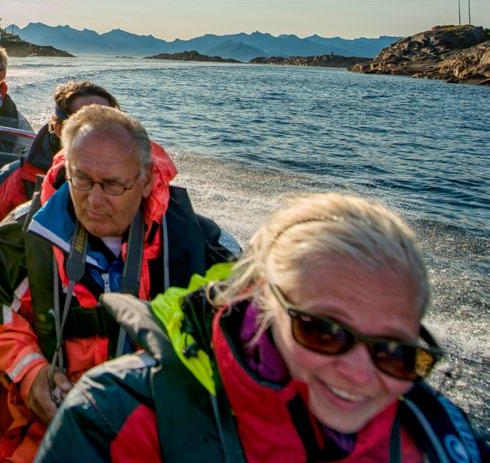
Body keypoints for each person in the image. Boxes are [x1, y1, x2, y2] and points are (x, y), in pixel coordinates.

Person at [36, 192, 487, 463]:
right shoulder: (116, 413)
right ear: (258, 298)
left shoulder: (443, 439)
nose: (360, 373)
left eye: (396, 353)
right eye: (324, 331)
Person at [0, 105, 239, 463]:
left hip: (152, 444)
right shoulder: (26, 235)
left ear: (147, 178)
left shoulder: (201, 246)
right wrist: (31, 373)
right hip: (45, 437)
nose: (94, 200)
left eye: (112, 185)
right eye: (82, 180)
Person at [0, 82, 121, 463]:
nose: (92, 132)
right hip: (12, 372)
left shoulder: (136, 206)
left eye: (105, 121)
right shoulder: (16, 184)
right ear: (56, 126)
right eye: (80, 120)